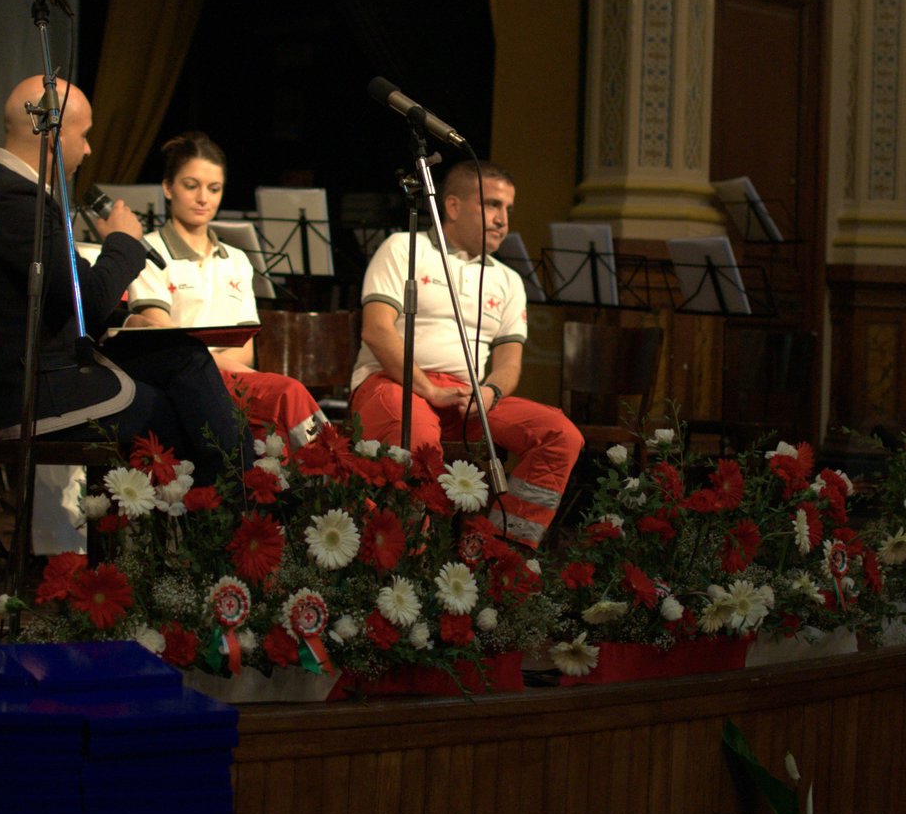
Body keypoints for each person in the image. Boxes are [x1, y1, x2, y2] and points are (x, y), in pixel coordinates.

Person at [0, 76, 247, 484]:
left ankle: (242, 506)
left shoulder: (20, 193)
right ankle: (237, 515)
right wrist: (124, 242)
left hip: (51, 372)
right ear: (52, 134)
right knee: (185, 418)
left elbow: (65, 298)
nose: (89, 149)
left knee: (185, 357)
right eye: (85, 135)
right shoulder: (14, 199)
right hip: (34, 394)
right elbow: (84, 301)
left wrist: (127, 321)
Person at [350, 160, 582, 546]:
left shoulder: (507, 280)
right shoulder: (406, 248)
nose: (502, 219)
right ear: (453, 207)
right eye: (491, 205)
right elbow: (376, 329)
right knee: (419, 437)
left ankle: (495, 550)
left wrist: (489, 393)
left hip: (463, 395)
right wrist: (428, 389)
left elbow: (509, 362)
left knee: (559, 434)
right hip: (394, 383)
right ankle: (412, 553)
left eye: (508, 208)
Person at [125, 132, 327, 449]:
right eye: (191, 186)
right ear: (168, 187)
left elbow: (245, 347)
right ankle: (336, 477)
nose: (203, 197)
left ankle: (324, 483)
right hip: (183, 382)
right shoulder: (149, 251)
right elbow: (161, 339)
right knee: (288, 394)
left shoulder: (237, 260)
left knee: (277, 439)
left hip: (232, 376)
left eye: (214, 188)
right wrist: (206, 365)